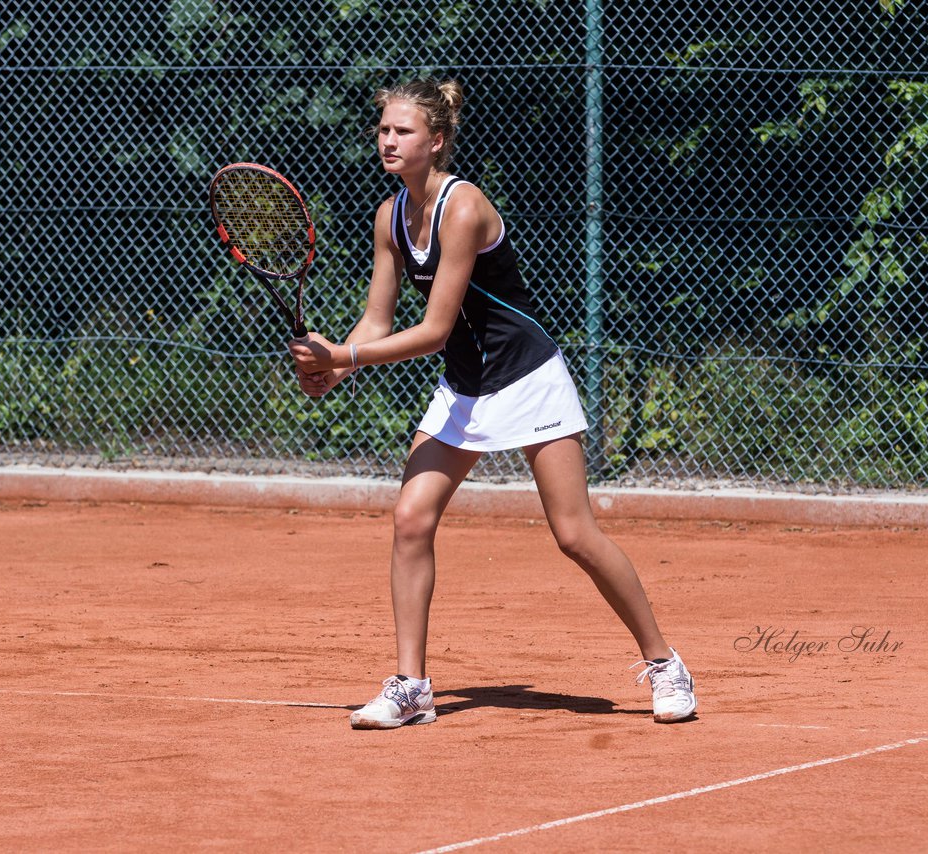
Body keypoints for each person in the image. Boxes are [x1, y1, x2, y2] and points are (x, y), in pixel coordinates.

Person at [288, 78, 696, 729]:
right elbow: (375, 320)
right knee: (411, 519)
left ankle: (665, 663)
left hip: (528, 375)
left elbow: (435, 330)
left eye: (403, 132)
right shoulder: (389, 217)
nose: (388, 141)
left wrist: (342, 359)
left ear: (437, 142)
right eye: (384, 130)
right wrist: (337, 364)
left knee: (573, 534)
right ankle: (412, 686)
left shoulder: (463, 206)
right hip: (465, 388)